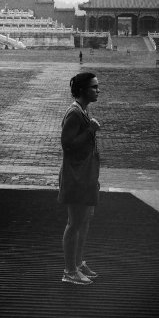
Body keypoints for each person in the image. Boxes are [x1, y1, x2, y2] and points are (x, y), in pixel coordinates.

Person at [58, 72, 101, 286]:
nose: (97, 90)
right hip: (75, 176)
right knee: (74, 222)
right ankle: (69, 270)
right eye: (94, 87)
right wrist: (90, 130)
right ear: (83, 90)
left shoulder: (83, 111)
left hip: (86, 175)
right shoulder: (74, 113)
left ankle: (77, 261)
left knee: (85, 220)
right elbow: (67, 145)